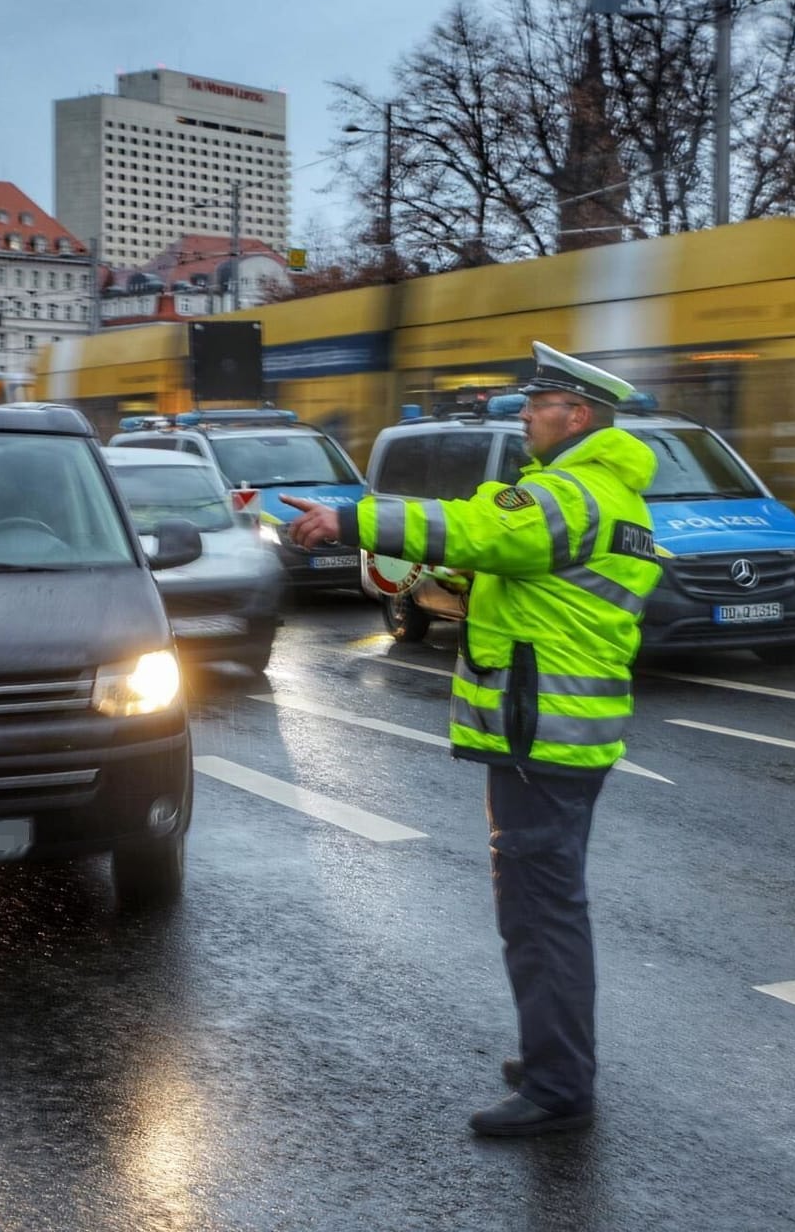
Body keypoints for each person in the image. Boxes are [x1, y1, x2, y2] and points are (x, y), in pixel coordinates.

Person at [282, 341, 662, 1138]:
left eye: (538, 405)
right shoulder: (602, 496)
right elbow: (518, 577)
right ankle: (557, 1055)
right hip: (558, 732)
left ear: (578, 415)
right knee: (549, 907)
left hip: (541, 733)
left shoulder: (573, 492)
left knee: (540, 914)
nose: (525, 415)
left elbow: (474, 526)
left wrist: (350, 517)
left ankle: (560, 1089)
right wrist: (444, 586)